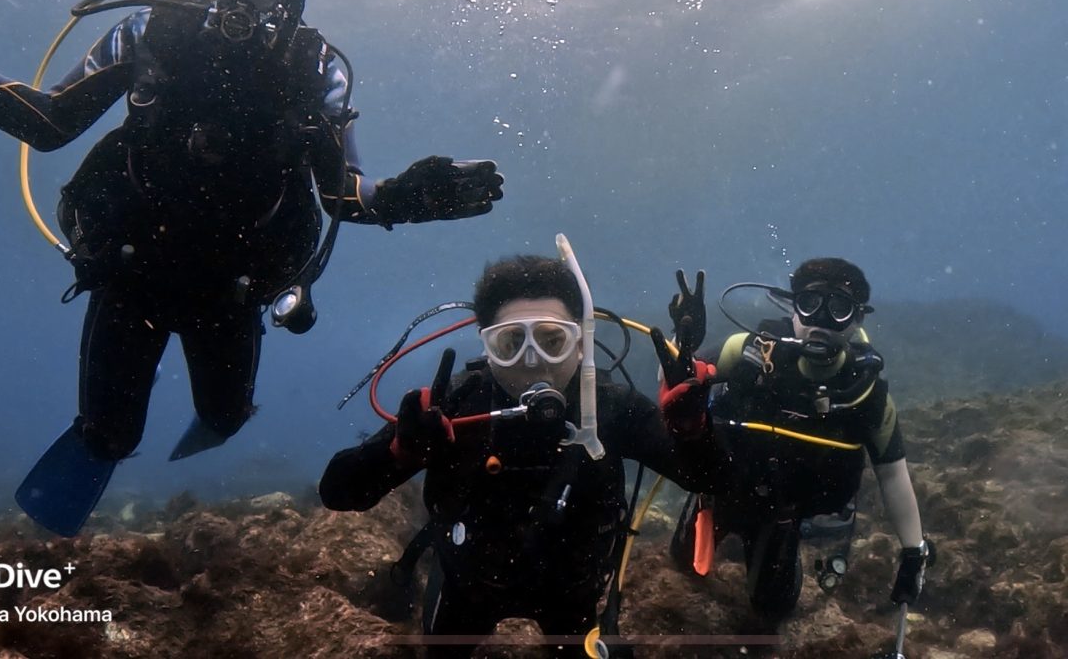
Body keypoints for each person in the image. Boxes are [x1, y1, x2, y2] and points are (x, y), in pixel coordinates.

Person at [0, 0, 503, 538]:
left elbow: (342, 195)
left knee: (225, 417)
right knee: (107, 434)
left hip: (231, 292)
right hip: (132, 271)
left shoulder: (313, 68)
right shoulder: (151, 32)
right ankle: (85, 478)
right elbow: (50, 121)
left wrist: (403, 198)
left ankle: (210, 425)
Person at [320, 254, 719, 658]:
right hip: (468, 586)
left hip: (571, 593)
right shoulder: (455, 408)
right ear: (487, 346)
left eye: (552, 340)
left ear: (581, 344)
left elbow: (715, 481)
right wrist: (400, 452)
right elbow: (337, 492)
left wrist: (693, 431)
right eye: (511, 342)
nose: (533, 360)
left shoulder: (611, 409)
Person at [665, 258, 932, 626]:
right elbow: (680, 382)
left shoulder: (866, 396)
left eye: (838, 308)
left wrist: (913, 552)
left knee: (772, 611)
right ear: (793, 309)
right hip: (722, 489)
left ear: (857, 320)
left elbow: (892, 475)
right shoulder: (749, 351)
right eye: (809, 304)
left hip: (782, 513)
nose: (820, 320)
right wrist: (683, 341)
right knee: (680, 566)